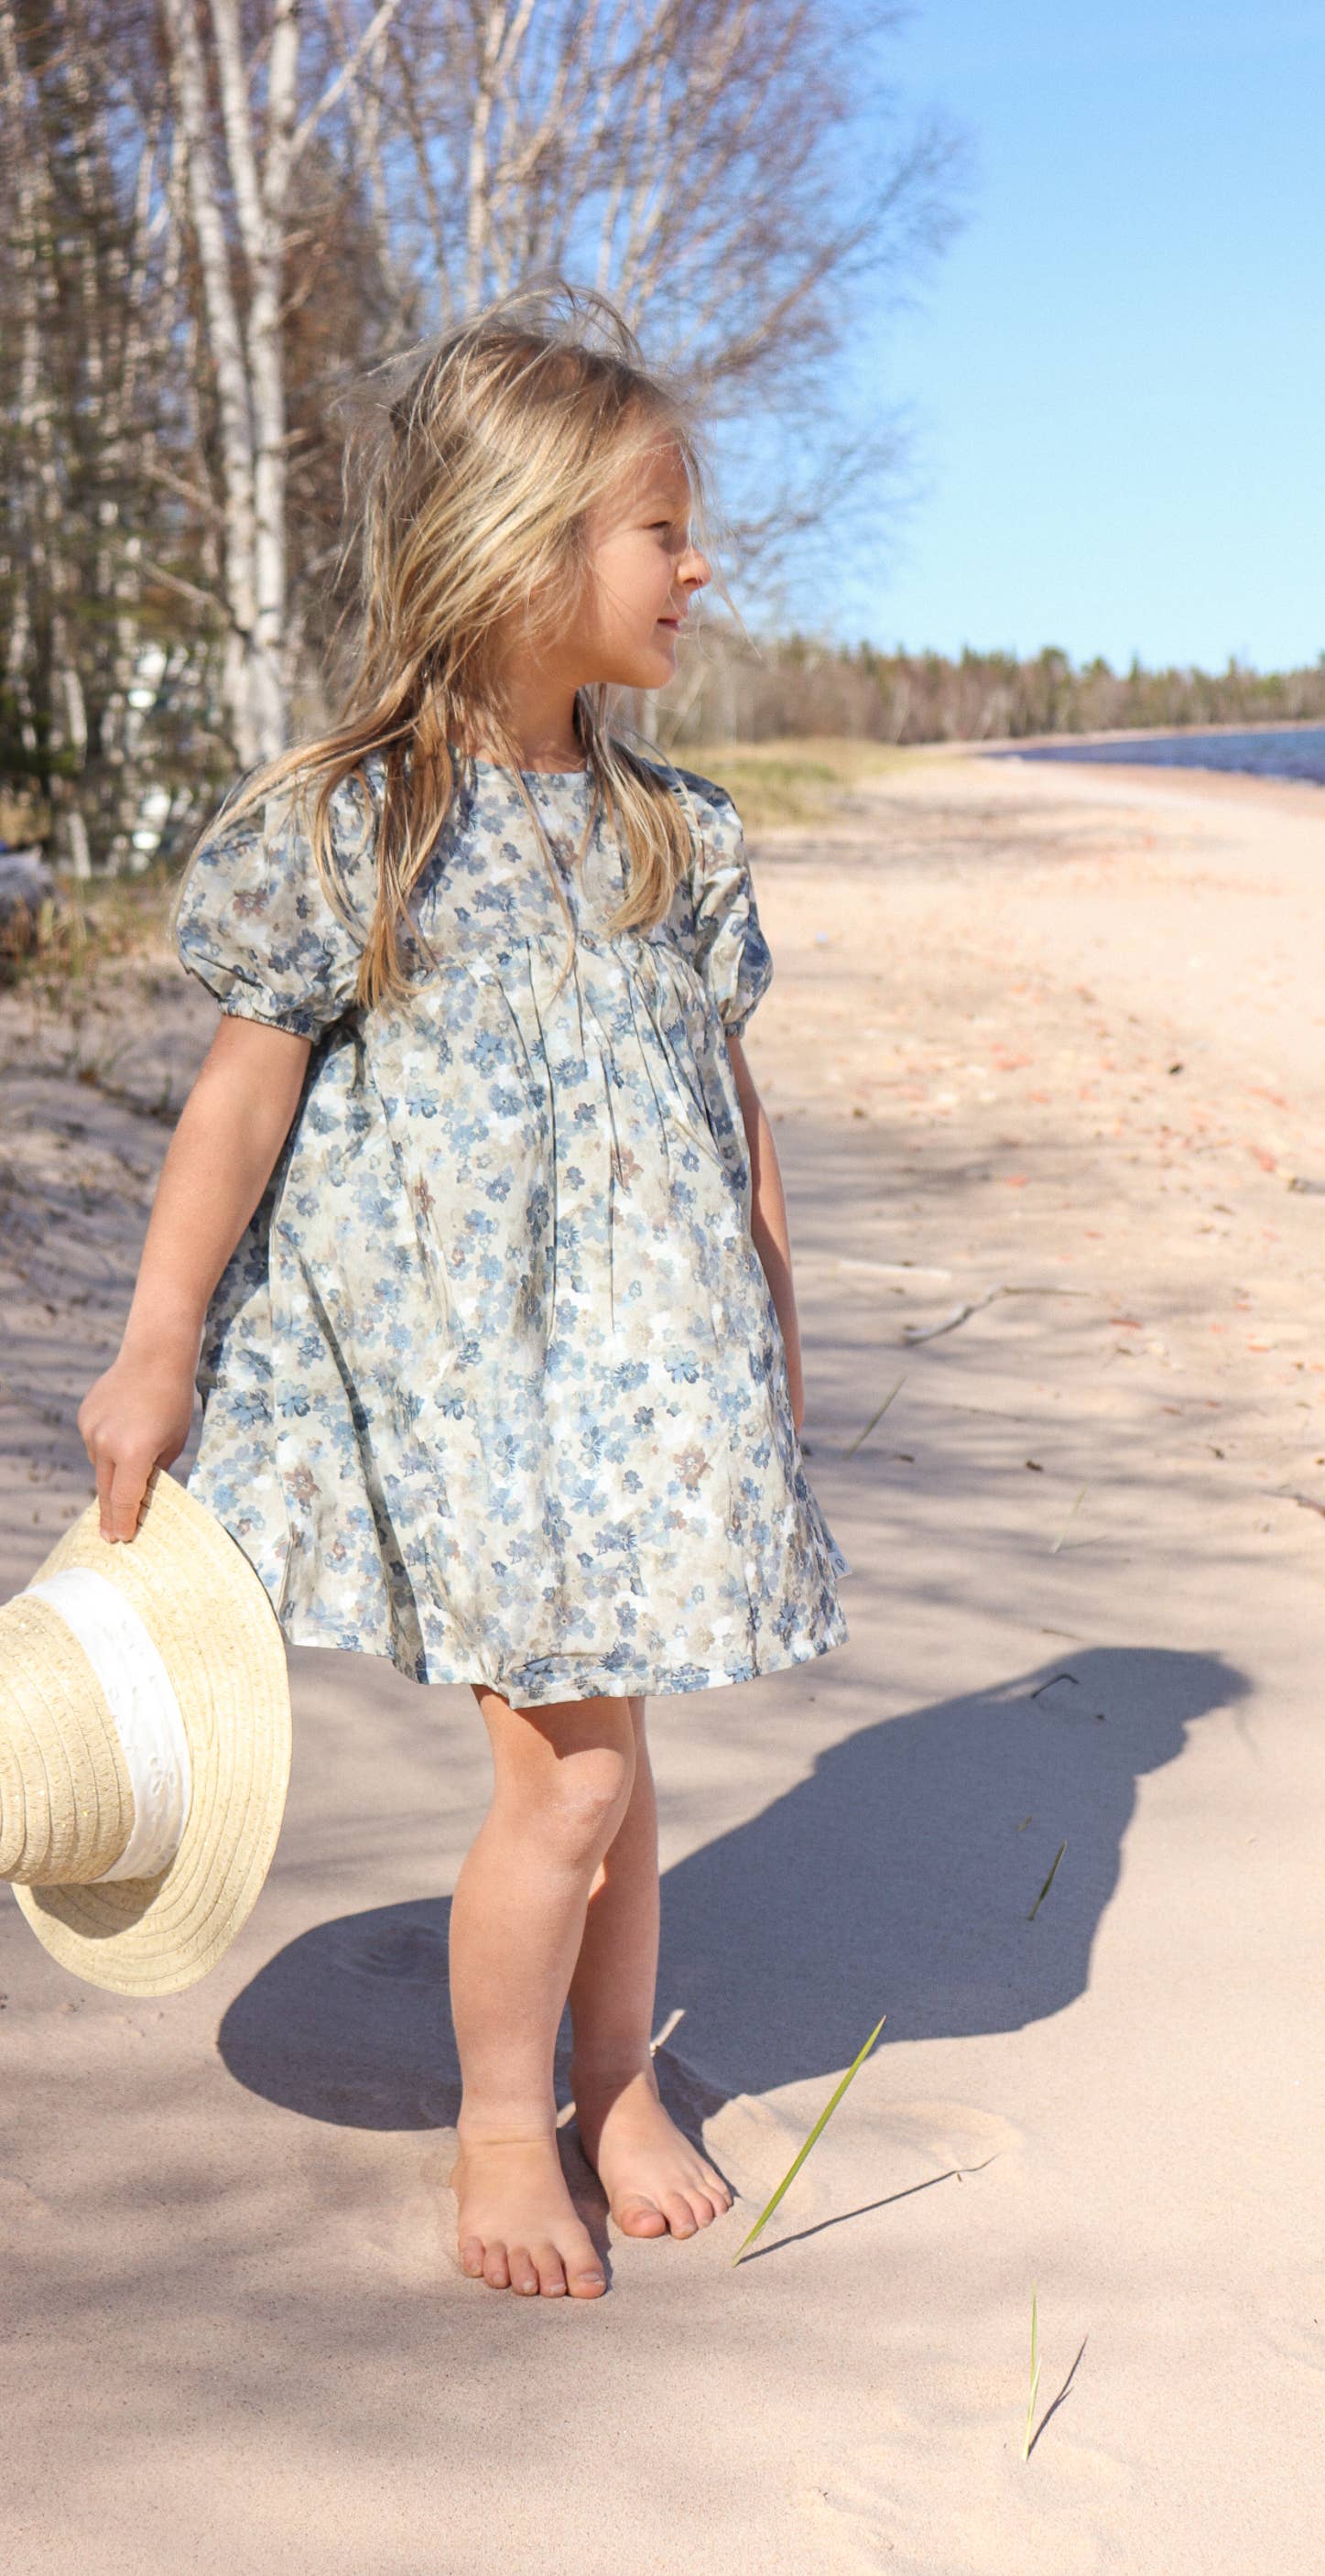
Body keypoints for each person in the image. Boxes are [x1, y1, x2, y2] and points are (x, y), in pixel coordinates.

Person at [75, 288, 849, 2299]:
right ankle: (514, 2119)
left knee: (623, 1755)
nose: (697, 566)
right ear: (516, 554)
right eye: (655, 530)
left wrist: (768, 1326)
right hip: (465, 1394)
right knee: (569, 1768)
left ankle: (612, 2082)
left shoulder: (674, 837)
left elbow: (725, 1110)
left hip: (644, 1385)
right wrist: (156, 1351)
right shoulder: (362, 824)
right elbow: (237, 1109)